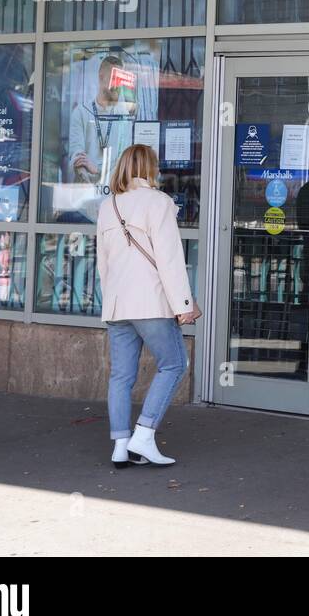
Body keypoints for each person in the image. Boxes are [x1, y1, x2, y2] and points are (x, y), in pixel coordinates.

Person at [97, 144, 200, 468]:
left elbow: (104, 262)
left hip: (117, 304)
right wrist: (183, 304)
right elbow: (169, 259)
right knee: (174, 364)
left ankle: (120, 444)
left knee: (121, 377)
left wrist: (110, 298)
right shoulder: (160, 203)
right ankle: (144, 433)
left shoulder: (107, 206)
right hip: (151, 302)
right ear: (150, 168)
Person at [69, 54, 137, 222]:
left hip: (114, 205)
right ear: (101, 77)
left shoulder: (123, 116)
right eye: (115, 78)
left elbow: (123, 160)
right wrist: (85, 168)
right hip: (84, 207)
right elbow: (76, 156)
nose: (118, 85)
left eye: (121, 80)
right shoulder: (81, 113)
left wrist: (96, 170)